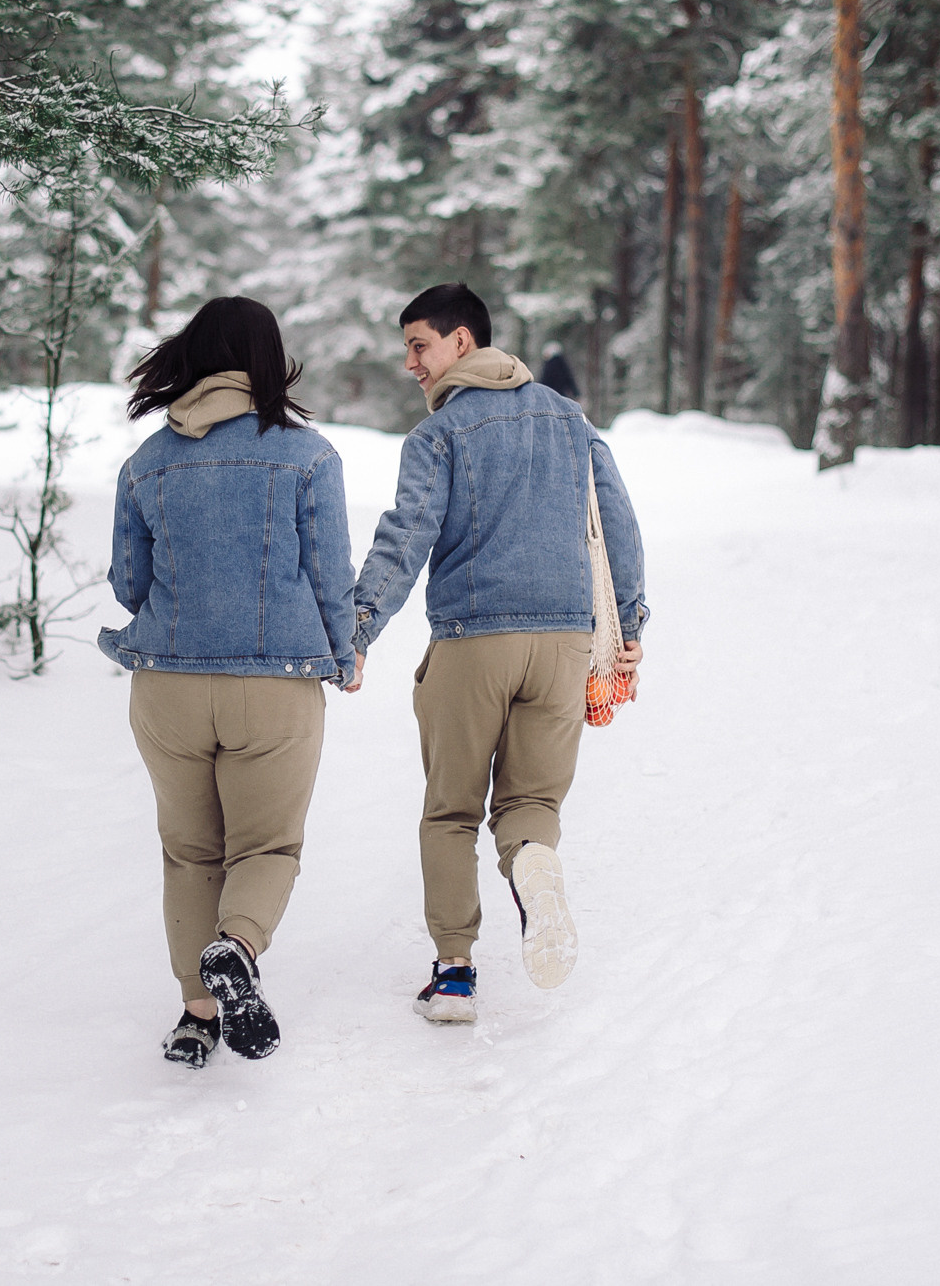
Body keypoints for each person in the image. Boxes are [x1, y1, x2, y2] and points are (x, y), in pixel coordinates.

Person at [346, 284, 647, 1024]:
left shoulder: (440, 435)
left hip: (473, 643)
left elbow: (406, 535)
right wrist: (630, 624)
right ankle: (535, 870)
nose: (410, 362)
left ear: (461, 341)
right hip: (562, 644)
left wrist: (355, 629)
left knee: (450, 811)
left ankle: (454, 976)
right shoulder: (570, 420)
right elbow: (617, 520)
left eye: (418, 344)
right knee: (531, 803)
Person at [100, 297, 358, 1069]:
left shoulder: (146, 461)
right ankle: (237, 947)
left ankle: (194, 1016)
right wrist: (343, 654)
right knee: (267, 844)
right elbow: (329, 577)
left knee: (188, 852)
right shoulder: (309, 457)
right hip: (274, 685)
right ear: (267, 360)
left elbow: (127, 581)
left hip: (167, 689)